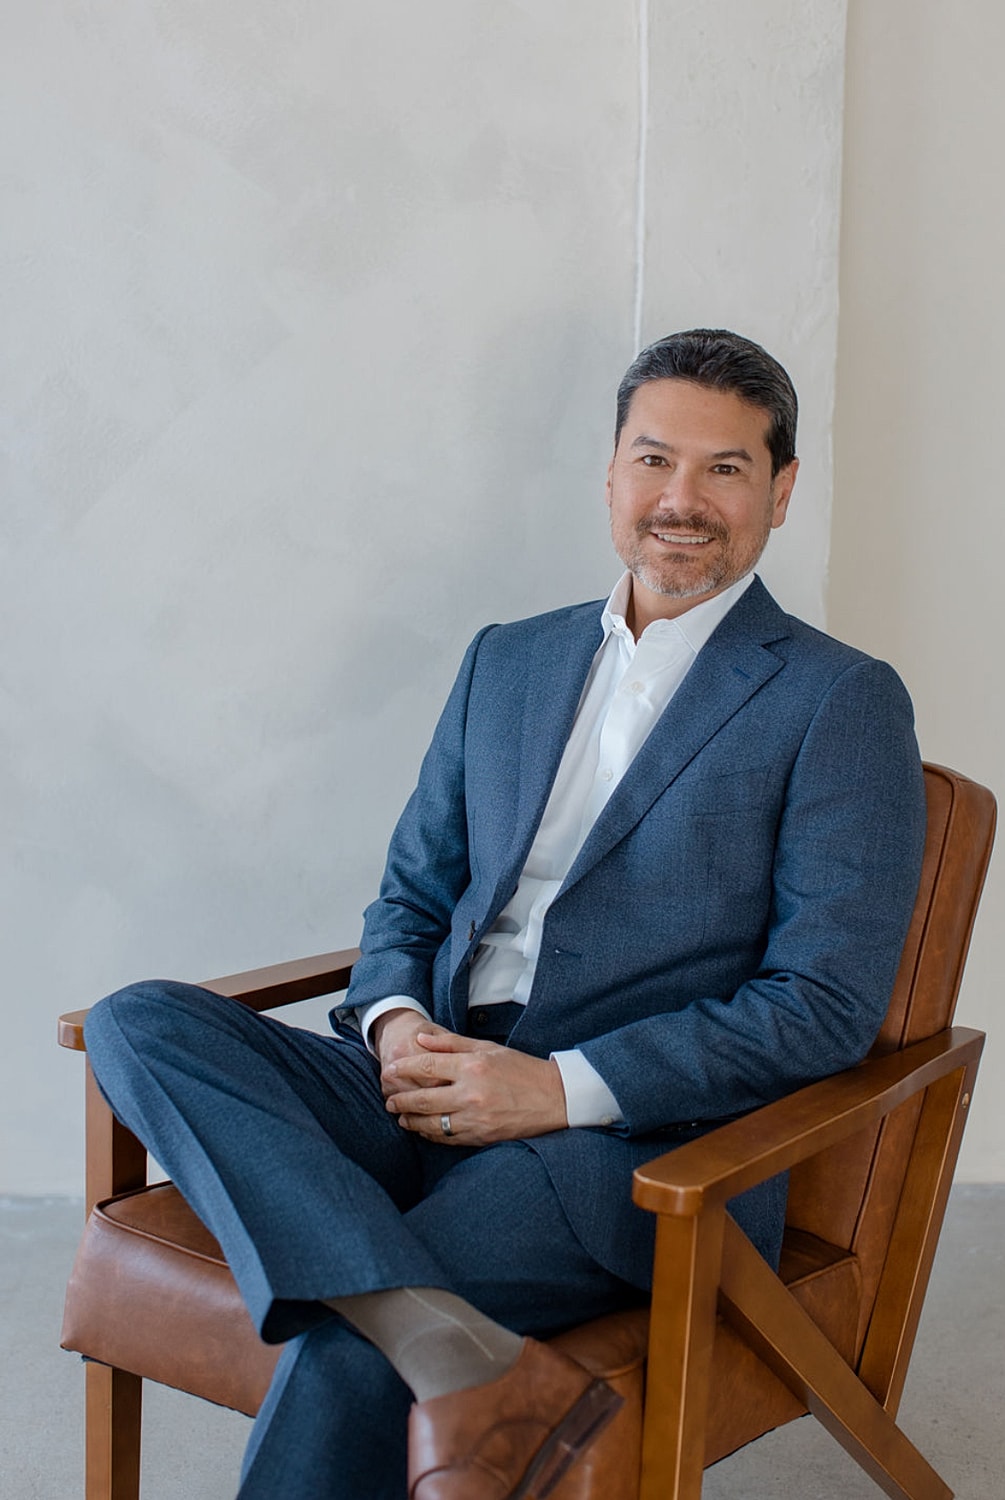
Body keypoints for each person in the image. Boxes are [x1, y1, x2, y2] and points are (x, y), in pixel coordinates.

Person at [83, 329, 926, 1500]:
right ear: (609, 474)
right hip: (420, 1084)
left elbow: (822, 1006)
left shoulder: (837, 700)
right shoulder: (506, 662)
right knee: (140, 1022)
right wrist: (390, 1027)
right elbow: (410, 898)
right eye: (653, 459)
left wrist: (555, 1087)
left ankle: (386, 1310)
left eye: (724, 469)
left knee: (347, 1349)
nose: (679, 499)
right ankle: (436, 1325)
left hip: (618, 1149)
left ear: (780, 492)